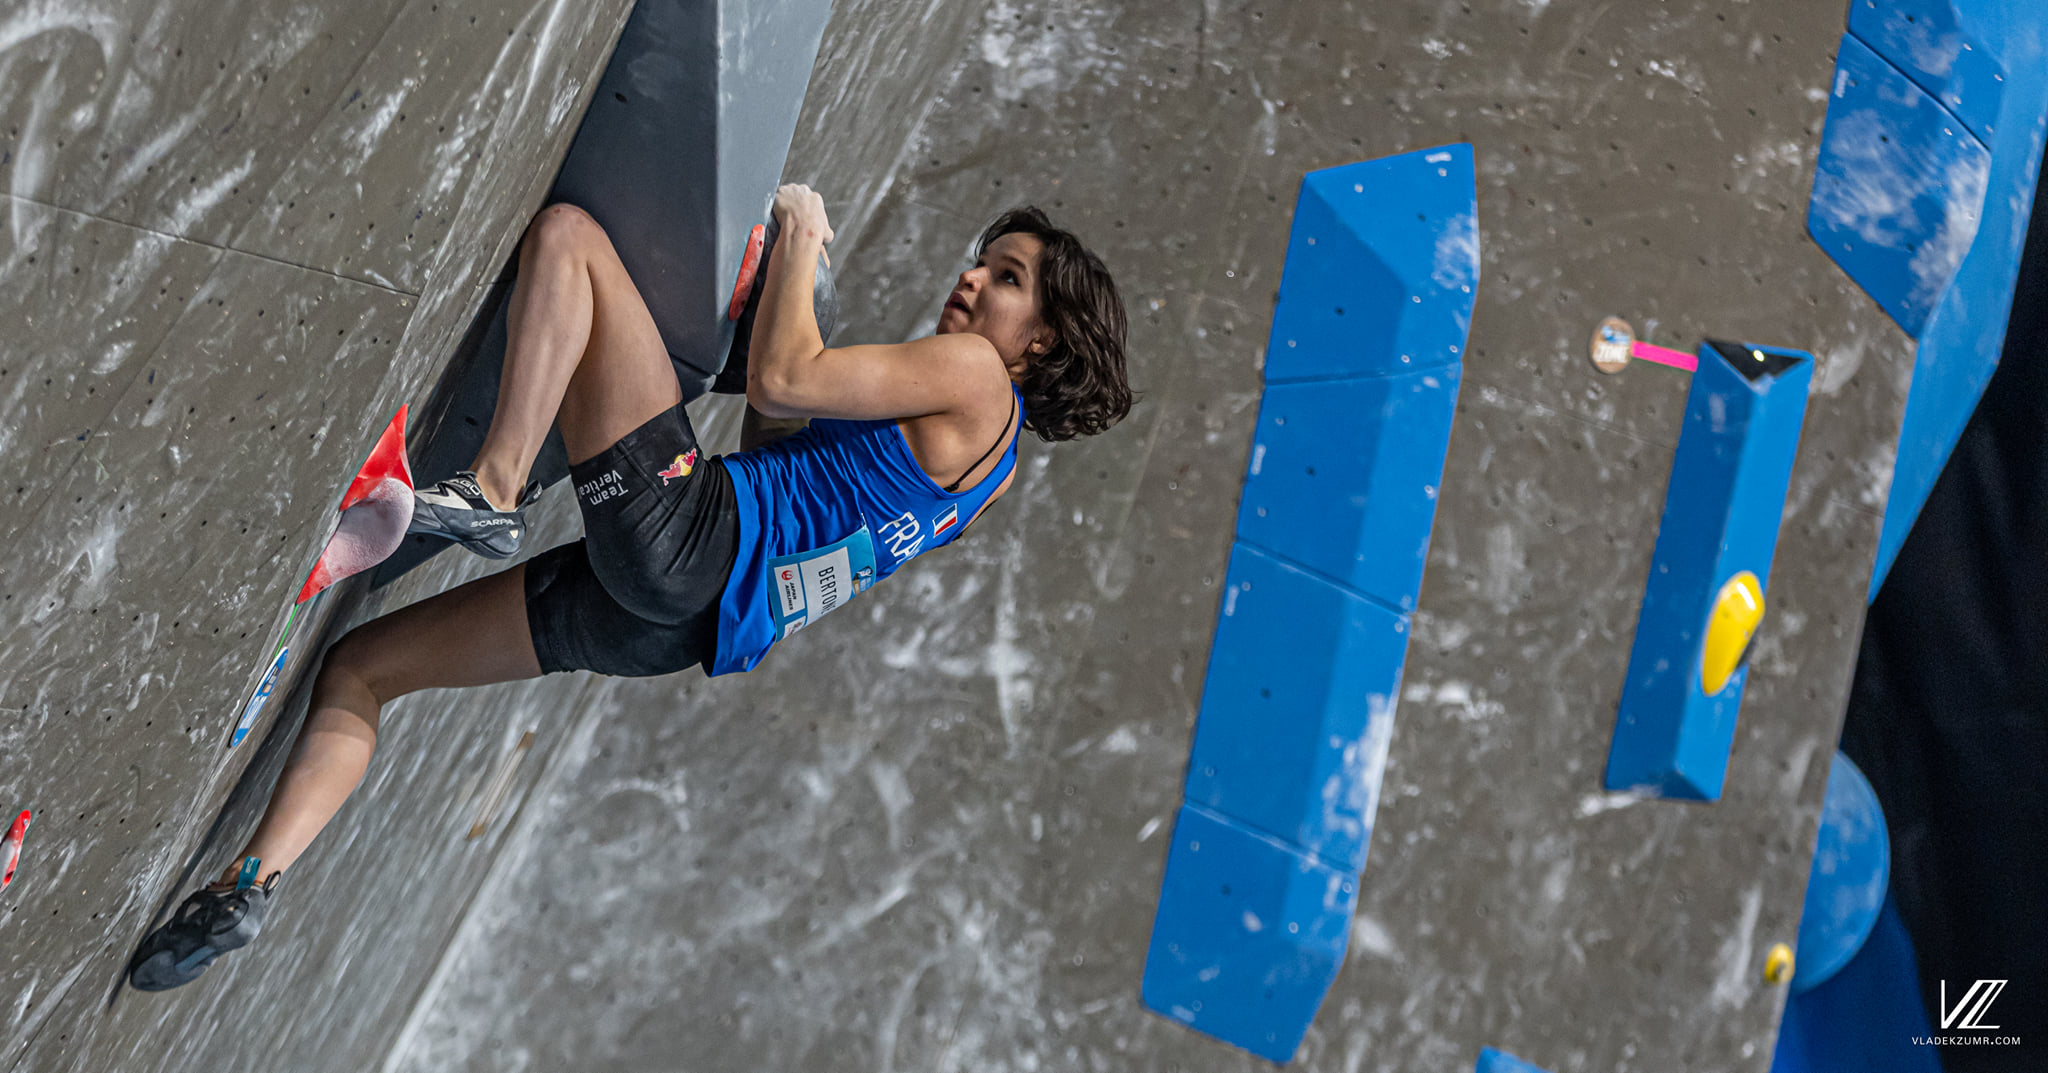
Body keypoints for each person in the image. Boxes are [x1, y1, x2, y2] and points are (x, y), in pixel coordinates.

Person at [127, 186, 1132, 990]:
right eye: (981, 259)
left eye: (1003, 278)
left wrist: (797, 233)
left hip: (694, 541)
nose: (970, 279)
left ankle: (493, 485)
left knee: (569, 238)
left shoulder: (972, 374)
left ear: (1038, 340)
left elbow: (783, 380)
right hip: (674, 624)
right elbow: (785, 450)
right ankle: (249, 880)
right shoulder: (989, 472)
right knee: (360, 668)